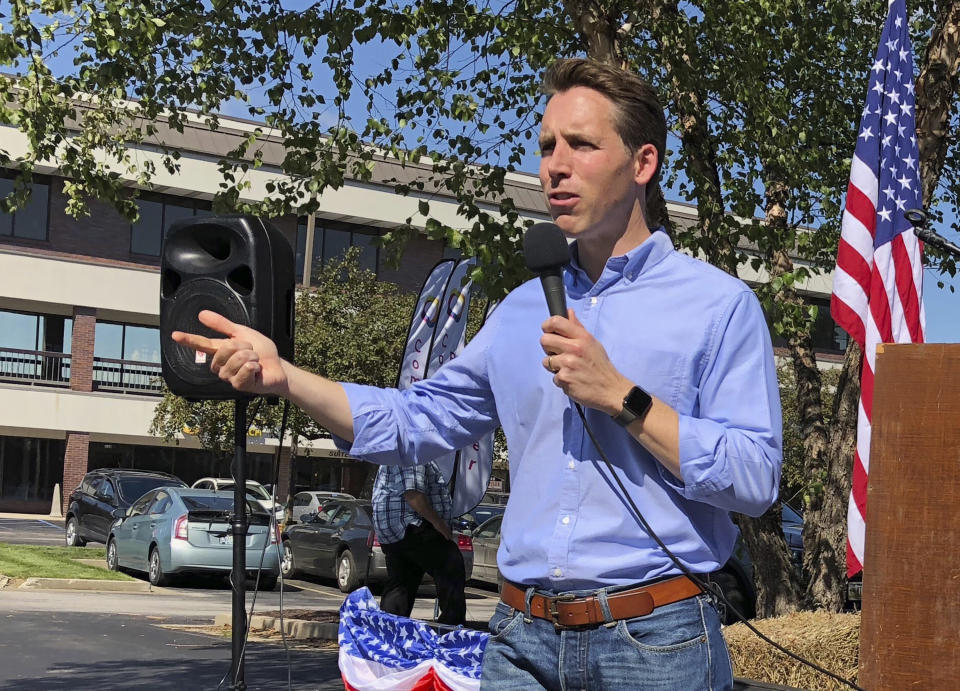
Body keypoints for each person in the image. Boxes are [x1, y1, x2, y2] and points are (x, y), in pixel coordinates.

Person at [172, 58, 781, 690]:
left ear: (643, 164)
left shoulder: (719, 306)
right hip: (522, 639)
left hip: (655, 642)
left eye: (582, 145)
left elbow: (755, 477)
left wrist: (623, 397)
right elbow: (416, 420)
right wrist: (286, 378)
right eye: (548, 146)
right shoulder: (519, 311)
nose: (556, 165)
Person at [371, 461, 466, 626]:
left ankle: (390, 632)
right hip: (410, 524)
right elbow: (413, 493)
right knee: (451, 564)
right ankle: (450, 629)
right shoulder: (414, 452)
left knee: (401, 583)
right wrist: (438, 523)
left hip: (393, 531)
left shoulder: (393, 452)